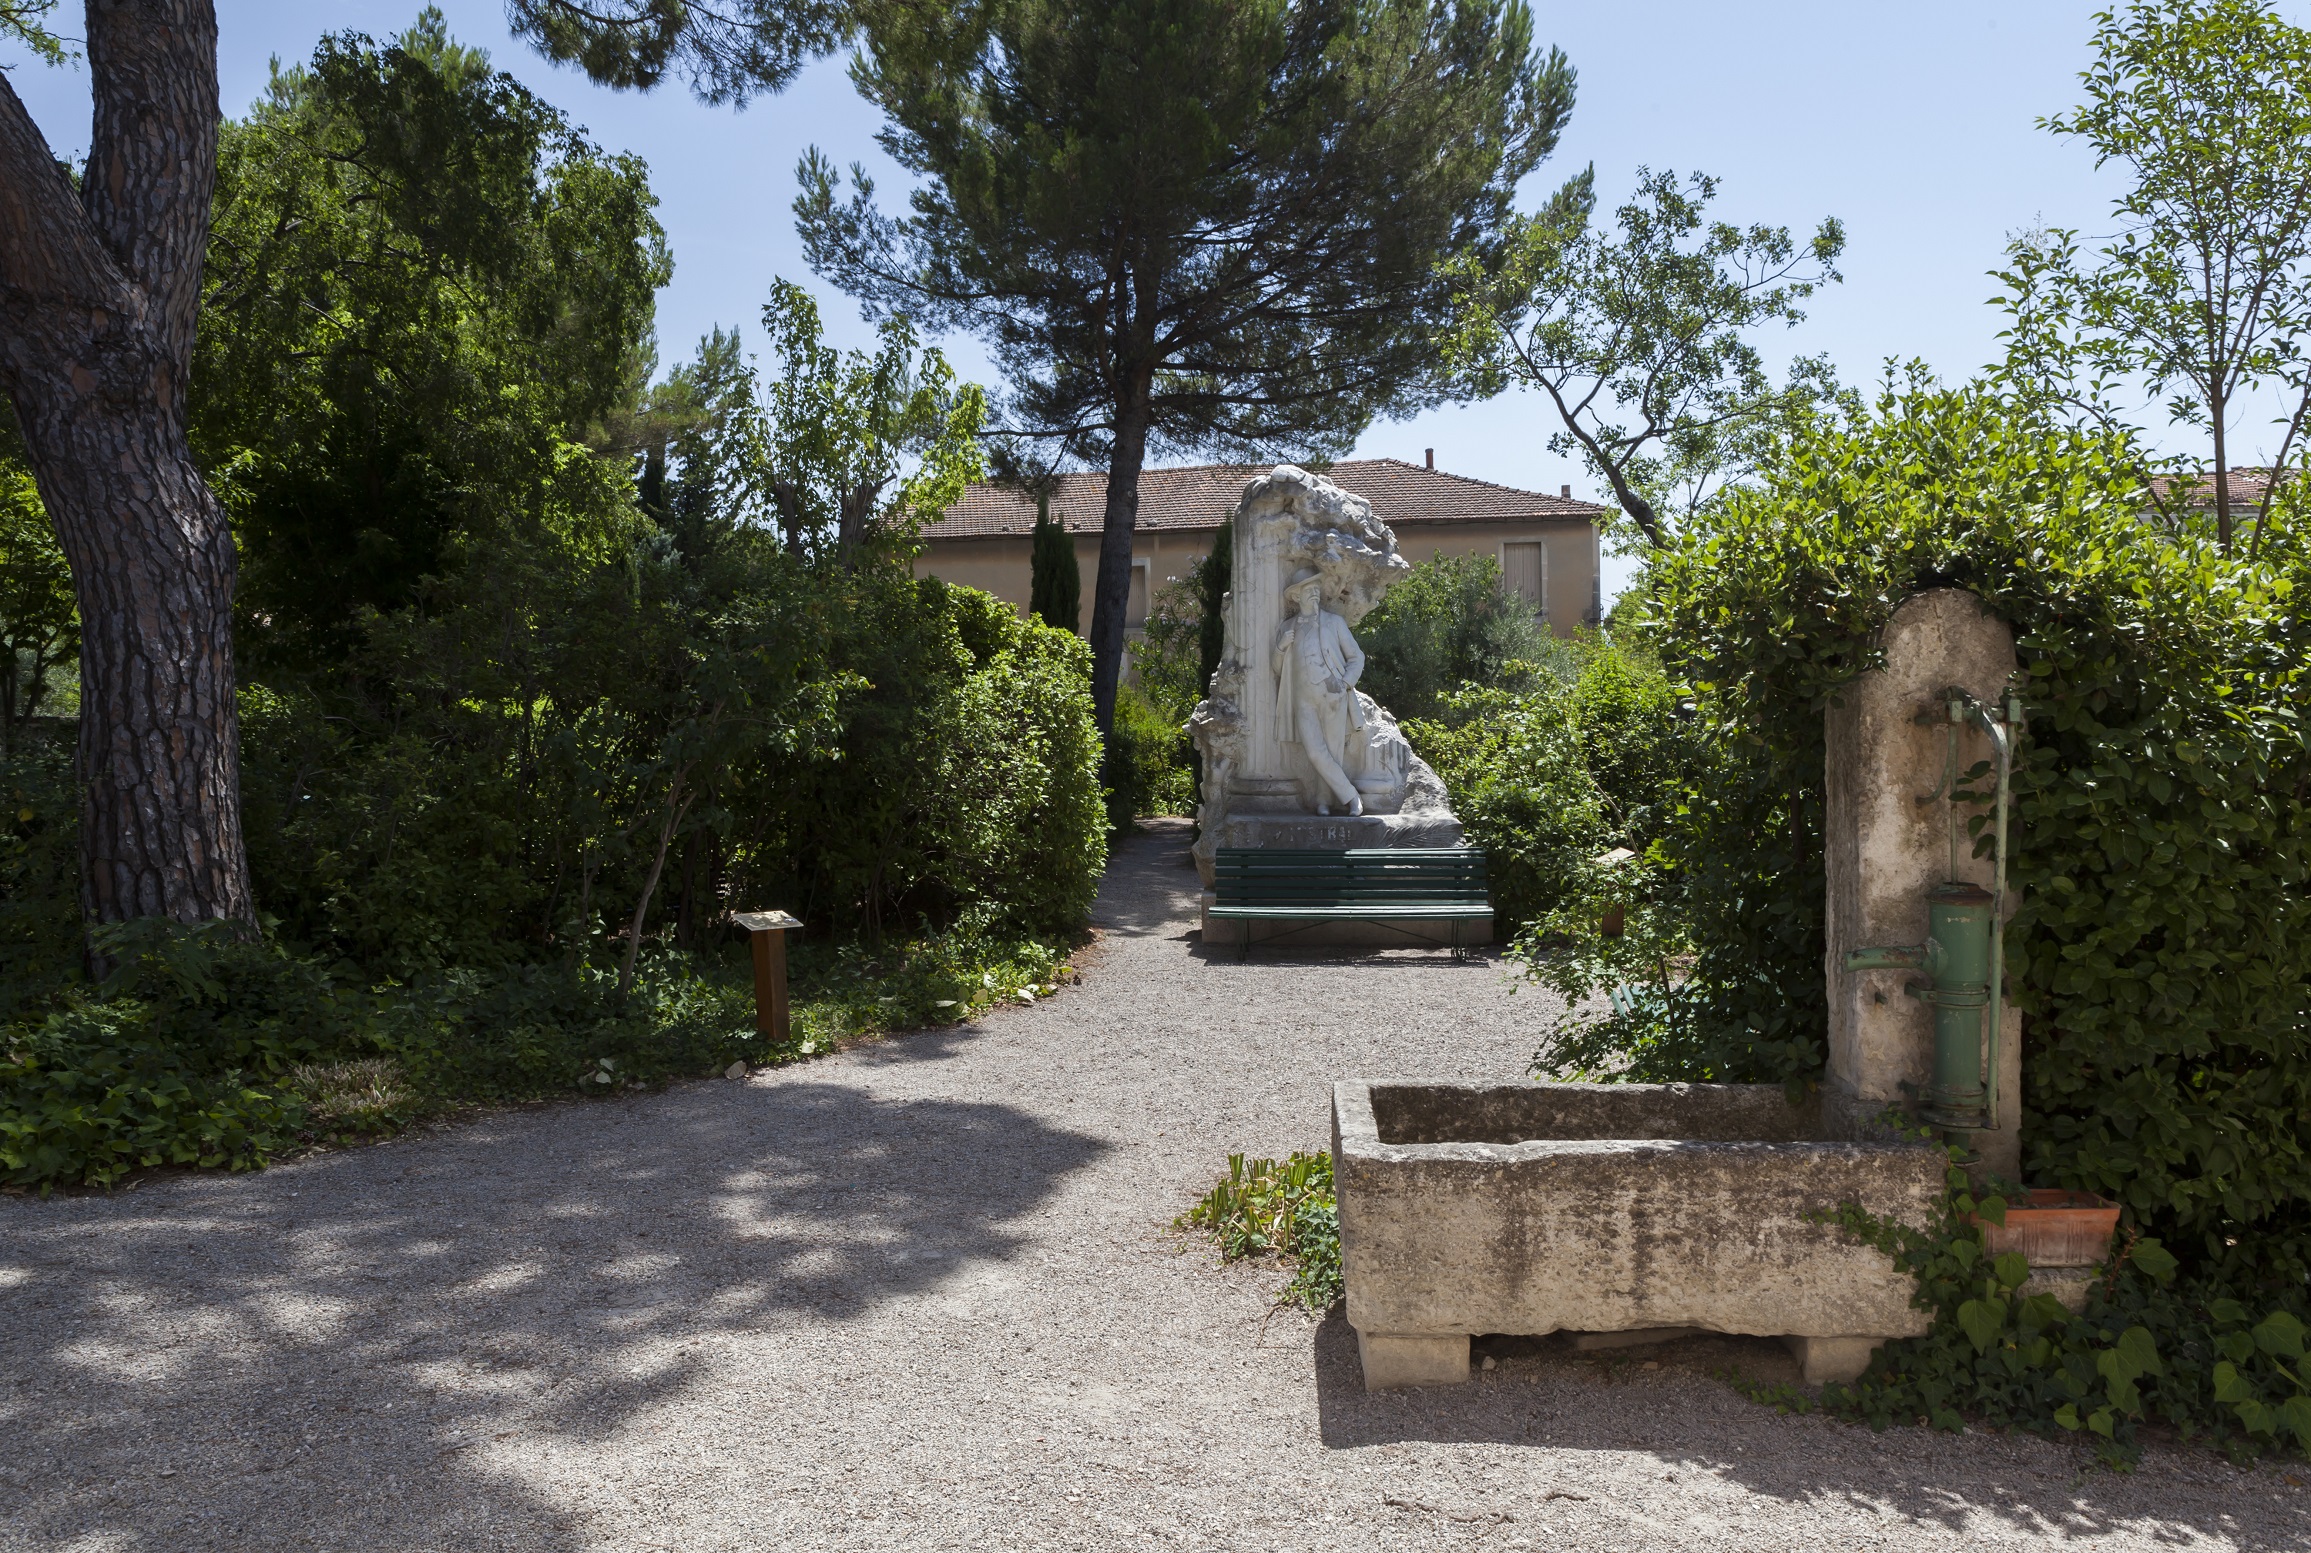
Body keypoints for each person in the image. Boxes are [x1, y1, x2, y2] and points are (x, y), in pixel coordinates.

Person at [1274, 568, 1366, 815]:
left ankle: (1323, 801)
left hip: (1332, 695)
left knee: (1332, 752)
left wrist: (1345, 683)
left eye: (1316, 589)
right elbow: (1278, 669)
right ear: (1296, 597)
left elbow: (1356, 657)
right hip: (1303, 700)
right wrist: (1281, 648)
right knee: (1315, 752)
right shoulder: (1287, 628)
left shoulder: (1334, 623)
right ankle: (1351, 796)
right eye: (1308, 590)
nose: (1314, 594)